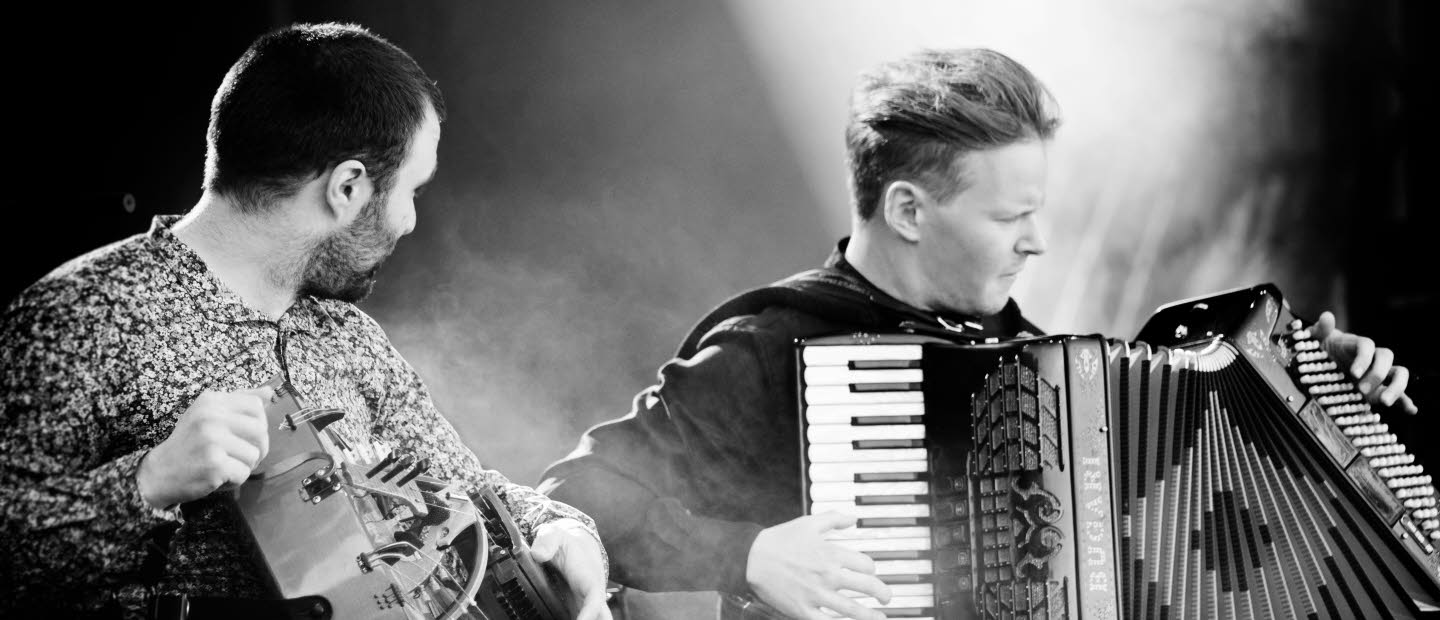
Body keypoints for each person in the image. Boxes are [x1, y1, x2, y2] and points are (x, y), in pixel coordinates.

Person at [537, 47, 1416, 620]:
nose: (1037, 240)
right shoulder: (773, 349)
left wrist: (1317, 399)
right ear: (909, 209)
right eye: (1012, 216)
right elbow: (574, 497)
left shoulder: (1030, 359)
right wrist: (747, 554)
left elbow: (1189, 523)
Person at [0, 23, 610, 620]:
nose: (409, 222)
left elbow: (470, 494)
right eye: (412, 192)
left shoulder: (348, 337)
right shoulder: (85, 313)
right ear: (347, 186)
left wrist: (563, 532)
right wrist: (146, 483)